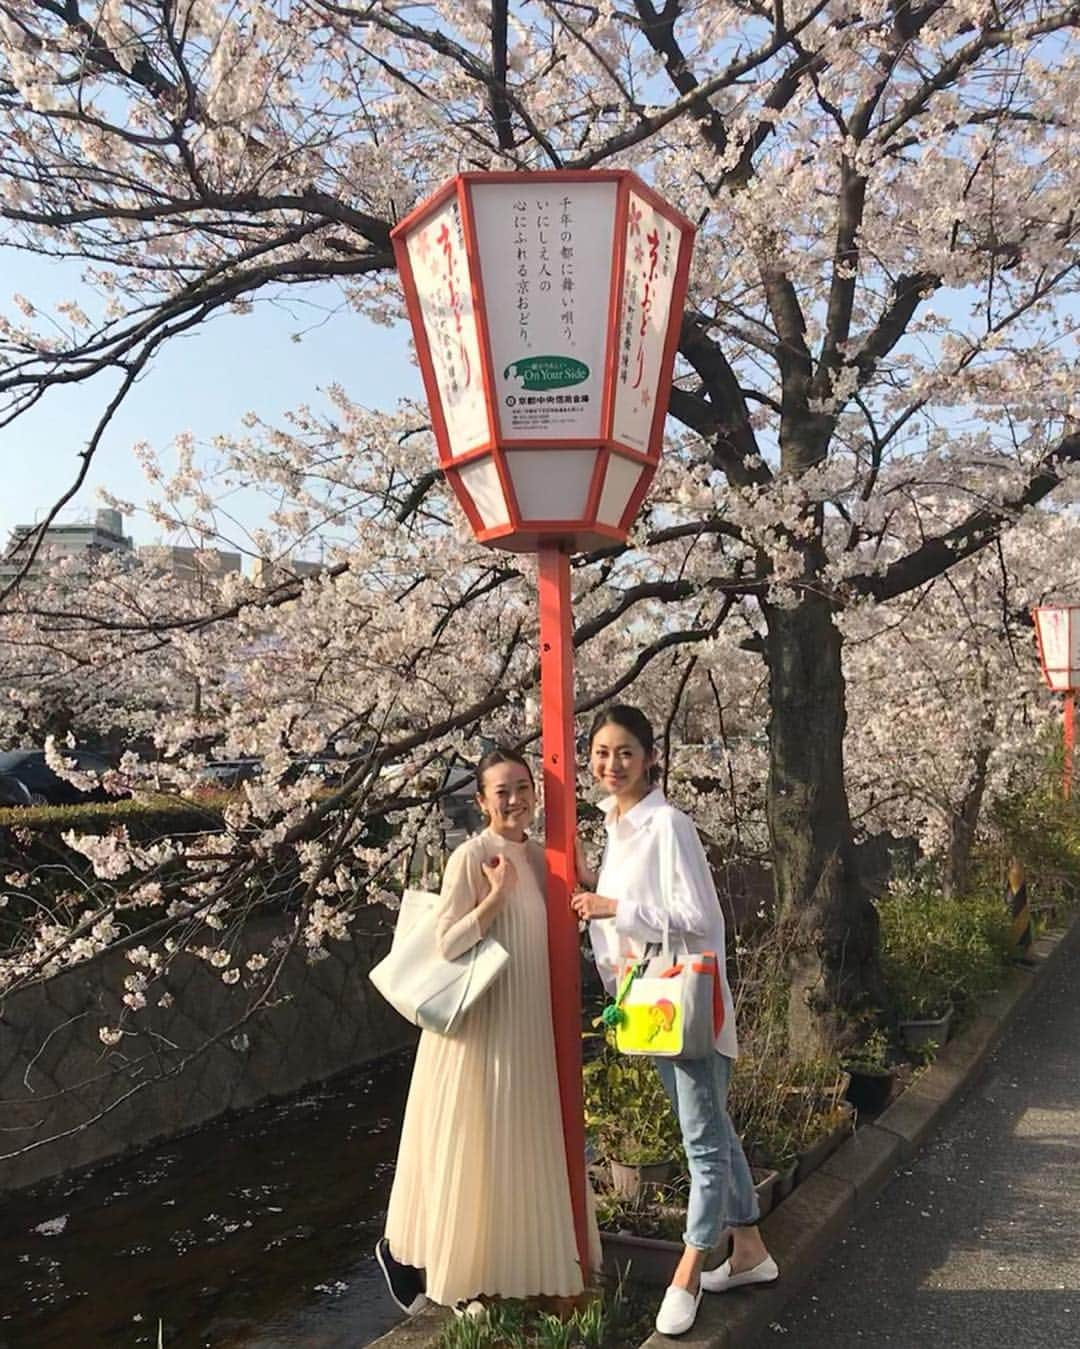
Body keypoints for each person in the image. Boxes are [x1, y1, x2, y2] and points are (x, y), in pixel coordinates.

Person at [572, 705, 777, 1338]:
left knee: (702, 1144)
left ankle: (687, 1271)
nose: (612, 765)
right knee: (714, 1128)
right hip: (650, 1008)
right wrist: (591, 881)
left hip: (683, 1006)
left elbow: (695, 913)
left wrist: (611, 904)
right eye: (602, 753)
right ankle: (751, 1253)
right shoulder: (622, 827)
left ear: (650, 756)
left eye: (625, 752)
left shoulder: (668, 824)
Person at [377, 748, 601, 1316]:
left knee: (525, 1138)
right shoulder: (471, 856)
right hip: (483, 1023)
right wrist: (496, 897)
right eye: (502, 791)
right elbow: (446, 942)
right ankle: (466, 1279)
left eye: (523, 787)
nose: (515, 799)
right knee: (481, 1141)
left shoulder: (544, 856)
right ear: (481, 801)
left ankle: (529, 1268)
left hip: (530, 1017)